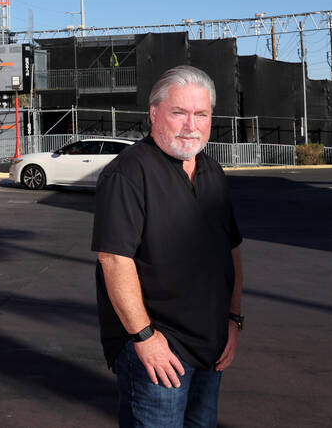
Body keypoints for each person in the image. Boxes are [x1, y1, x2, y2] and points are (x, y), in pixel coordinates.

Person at [92, 65, 243, 427]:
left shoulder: (212, 171)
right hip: (158, 350)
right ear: (154, 113)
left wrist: (234, 321)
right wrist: (144, 337)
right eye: (179, 112)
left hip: (211, 345)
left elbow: (231, 250)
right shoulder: (128, 173)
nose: (191, 124)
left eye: (201, 114)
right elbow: (113, 259)